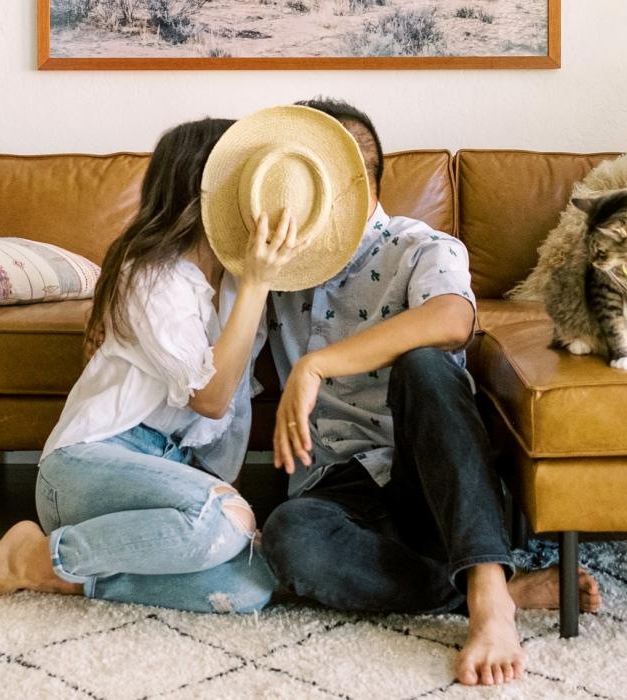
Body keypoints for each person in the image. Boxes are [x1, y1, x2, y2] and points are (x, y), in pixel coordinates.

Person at [257, 98, 603, 686]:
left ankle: (490, 594)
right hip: (336, 488)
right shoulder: (278, 266)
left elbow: (451, 319)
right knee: (288, 539)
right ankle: (477, 588)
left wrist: (315, 365)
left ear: (361, 188)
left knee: (424, 365)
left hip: (430, 475)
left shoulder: (418, 245)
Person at [0, 117, 307, 614]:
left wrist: (214, 494)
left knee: (249, 587)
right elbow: (212, 397)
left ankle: (58, 574)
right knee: (223, 522)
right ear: (206, 193)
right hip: (85, 466)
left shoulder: (231, 285)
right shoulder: (151, 275)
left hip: (165, 473)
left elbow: (229, 420)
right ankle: (32, 558)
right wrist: (257, 284)